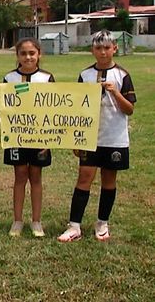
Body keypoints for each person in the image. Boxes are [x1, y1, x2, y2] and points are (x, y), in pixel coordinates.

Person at [58, 30, 136, 242]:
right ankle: (74, 225)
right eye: (98, 48)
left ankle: (102, 222)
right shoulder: (85, 75)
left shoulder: (122, 75)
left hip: (114, 136)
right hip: (90, 137)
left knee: (108, 180)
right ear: (93, 50)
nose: (103, 52)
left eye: (107, 48)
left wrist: (115, 92)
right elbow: (77, 108)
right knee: (84, 177)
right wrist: (76, 138)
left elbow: (129, 109)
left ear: (115, 49)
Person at [2, 38, 54, 238]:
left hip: (40, 137)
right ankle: (17, 221)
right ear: (17, 56)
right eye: (23, 53)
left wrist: (49, 140)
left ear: (39, 54)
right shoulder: (9, 78)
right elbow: (3, 111)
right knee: (20, 177)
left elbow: (55, 110)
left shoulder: (47, 78)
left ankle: (36, 221)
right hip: (17, 137)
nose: (28, 57)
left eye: (32, 53)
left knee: (36, 178)